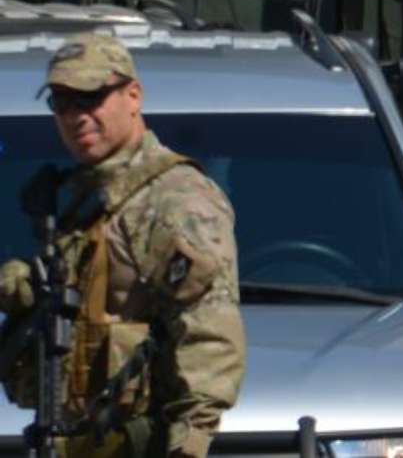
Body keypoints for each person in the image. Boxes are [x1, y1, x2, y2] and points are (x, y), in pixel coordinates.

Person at [0, 33, 245, 457]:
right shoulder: (86, 196)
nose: (76, 116)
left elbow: (208, 330)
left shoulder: (175, 199)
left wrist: (189, 444)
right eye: (62, 103)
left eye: (90, 98)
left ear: (133, 96)